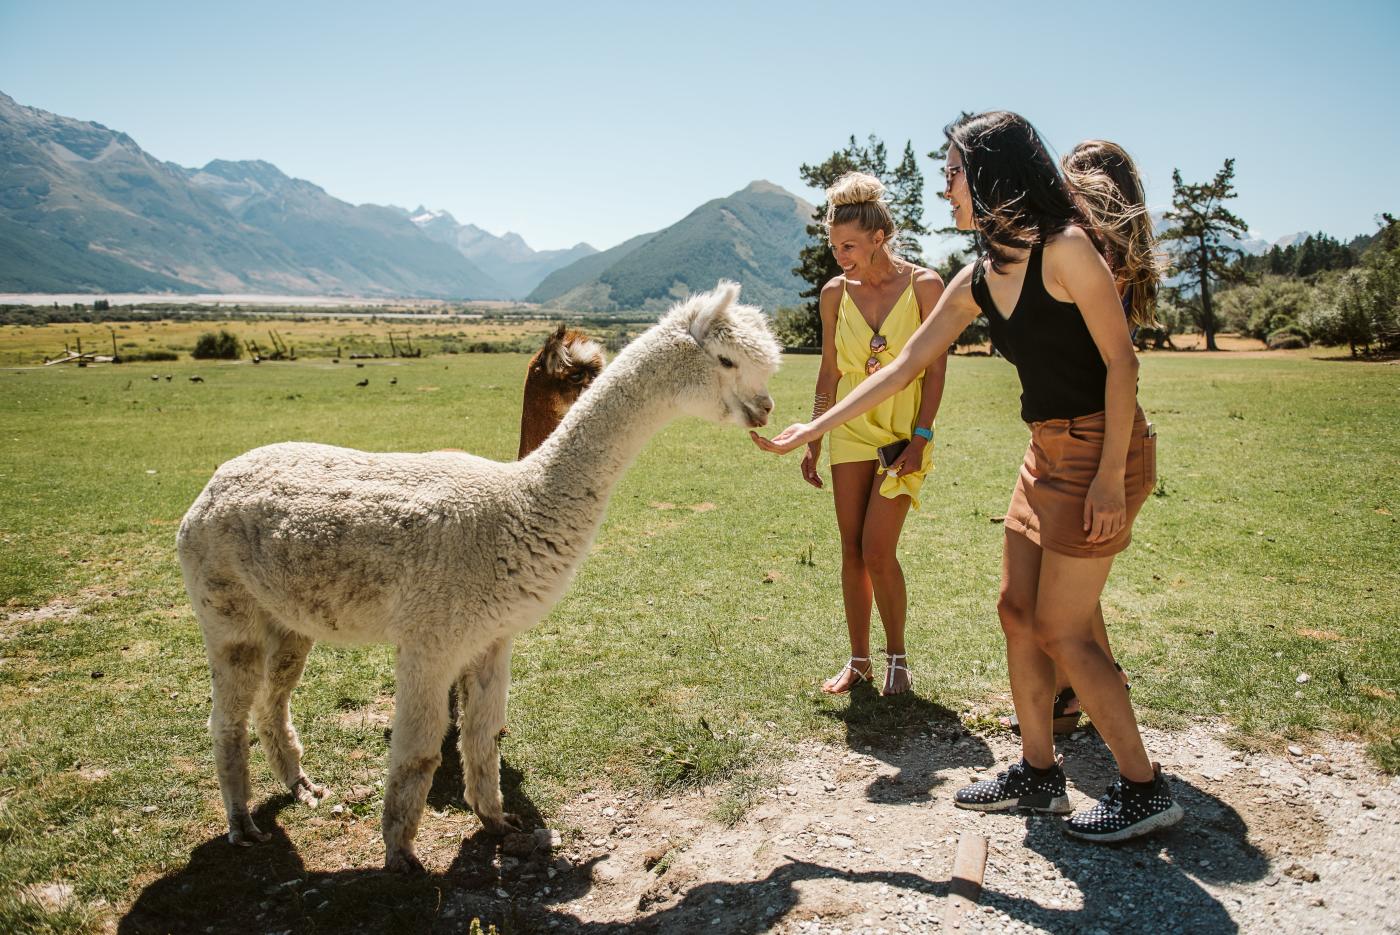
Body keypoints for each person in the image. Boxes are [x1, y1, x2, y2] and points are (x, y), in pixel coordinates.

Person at [753, 112, 1182, 842]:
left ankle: (1145, 788)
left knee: (1061, 628)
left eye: (953, 171)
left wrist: (1111, 476)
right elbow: (903, 366)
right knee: (1016, 611)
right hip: (1045, 453)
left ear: (990, 177)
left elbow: (1122, 363)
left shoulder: (1066, 249)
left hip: (1102, 451)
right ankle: (1040, 775)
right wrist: (817, 426)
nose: (944, 186)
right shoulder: (980, 276)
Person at [1000, 138, 1162, 733]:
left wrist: (1109, 476)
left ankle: (1094, 703)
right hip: (1062, 437)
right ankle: (1075, 694)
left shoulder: (1086, 254)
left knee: (1063, 606)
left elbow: (1119, 366)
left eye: (1073, 178)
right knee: (1065, 598)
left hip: (1094, 438)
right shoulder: (1108, 256)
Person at [803, 172, 947, 696]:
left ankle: (899, 658)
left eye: (849, 245)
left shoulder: (925, 286)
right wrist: (816, 435)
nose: (840, 255)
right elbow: (828, 370)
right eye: (834, 246)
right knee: (850, 549)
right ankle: (859, 660)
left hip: (902, 436)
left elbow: (936, 370)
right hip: (848, 432)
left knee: (878, 550)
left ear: (879, 237)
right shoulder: (834, 293)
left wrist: (922, 436)